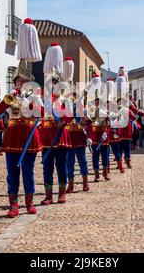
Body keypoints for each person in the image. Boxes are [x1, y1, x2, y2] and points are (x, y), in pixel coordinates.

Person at [0, 18, 43, 218]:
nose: (20, 83)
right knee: (12, 173)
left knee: (28, 171)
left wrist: (28, 99)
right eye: (17, 81)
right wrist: (9, 99)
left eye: (22, 81)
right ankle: (13, 204)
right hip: (13, 136)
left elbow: (40, 113)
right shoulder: (10, 96)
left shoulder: (35, 96)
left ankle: (29, 202)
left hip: (30, 137)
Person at [40, 43, 72, 205]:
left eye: (53, 82)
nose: (51, 84)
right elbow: (38, 115)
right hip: (46, 137)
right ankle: (48, 195)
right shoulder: (43, 100)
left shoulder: (63, 98)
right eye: (49, 82)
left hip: (60, 136)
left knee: (61, 166)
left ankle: (62, 194)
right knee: (47, 169)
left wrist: (62, 123)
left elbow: (70, 114)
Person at [64, 59, 90, 194]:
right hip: (68, 138)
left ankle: (85, 182)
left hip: (79, 137)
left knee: (82, 161)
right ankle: (71, 184)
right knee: (69, 163)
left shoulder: (81, 108)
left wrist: (89, 136)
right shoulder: (64, 107)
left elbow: (87, 122)